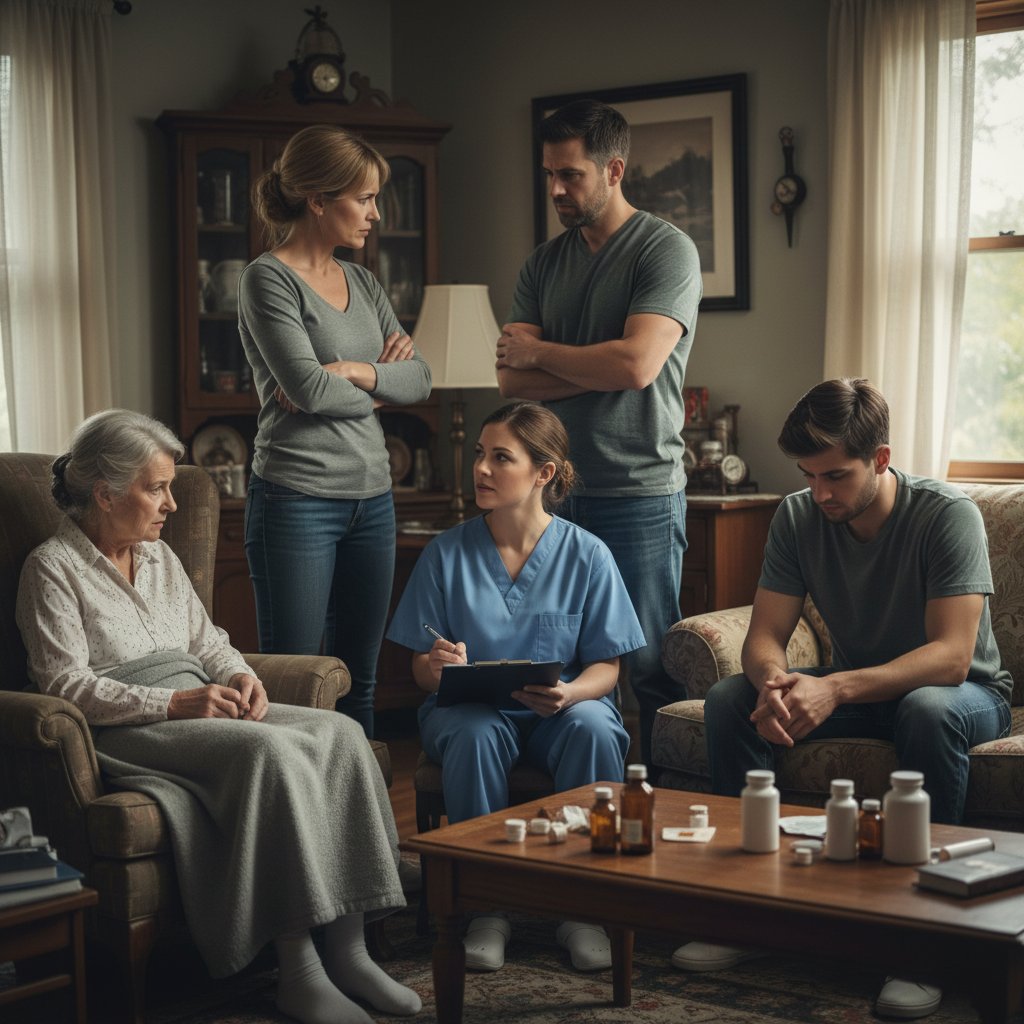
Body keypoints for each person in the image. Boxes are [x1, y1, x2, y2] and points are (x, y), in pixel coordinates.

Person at [15, 410, 422, 1024]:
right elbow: (63, 684)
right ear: (105, 493)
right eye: (157, 487)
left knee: (343, 734)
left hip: (195, 702)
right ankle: (299, 971)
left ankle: (351, 951)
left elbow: (208, 642)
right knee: (270, 753)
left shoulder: (159, 558)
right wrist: (172, 702)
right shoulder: (52, 569)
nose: (171, 504)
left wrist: (240, 676)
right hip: (128, 727)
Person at [671, 378, 1012, 1021]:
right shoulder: (799, 515)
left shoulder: (945, 514)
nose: (820, 493)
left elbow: (951, 656)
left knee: (927, 710)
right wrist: (775, 682)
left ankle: (924, 943)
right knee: (726, 700)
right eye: (809, 475)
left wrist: (833, 688)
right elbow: (766, 634)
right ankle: (744, 914)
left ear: (880, 459)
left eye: (836, 476)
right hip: (862, 686)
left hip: (966, 694)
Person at [386, 401, 645, 974]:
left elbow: (609, 669)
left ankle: (581, 907)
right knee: (475, 732)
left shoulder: (588, 555)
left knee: (598, 724)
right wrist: (439, 663)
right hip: (471, 713)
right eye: (479, 454)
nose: (480, 468)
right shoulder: (445, 553)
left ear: (544, 473)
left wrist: (573, 693)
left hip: (560, 714)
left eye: (500, 457)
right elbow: (419, 670)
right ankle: (487, 908)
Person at [496, 98, 703, 769]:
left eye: (571, 175)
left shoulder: (665, 249)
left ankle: (669, 816)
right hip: (551, 496)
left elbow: (639, 365)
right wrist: (601, 362)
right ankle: (590, 812)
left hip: (637, 490)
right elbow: (510, 383)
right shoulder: (542, 265)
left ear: (614, 170)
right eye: (549, 174)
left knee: (648, 669)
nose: (555, 189)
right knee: (567, 664)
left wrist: (548, 355)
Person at [239, 123, 431, 739]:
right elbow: (306, 390)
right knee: (296, 680)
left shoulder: (366, 281)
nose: (375, 213)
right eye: (365, 198)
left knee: (362, 679)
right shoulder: (266, 279)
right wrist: (379, 383)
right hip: (296, 499)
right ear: (319, 200)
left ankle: (359, 829)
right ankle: (295, 825)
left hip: (373, 498)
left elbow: (421, 380)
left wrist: (350, 371)